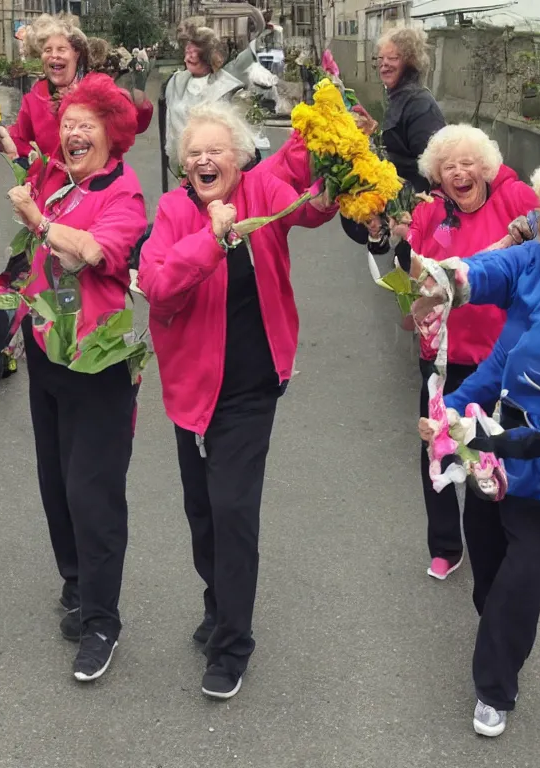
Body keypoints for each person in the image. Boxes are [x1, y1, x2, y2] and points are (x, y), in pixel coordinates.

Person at [137, 101, 337, 700]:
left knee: (232, 513)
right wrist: (211, 238)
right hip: (189, 390)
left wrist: (337, 176)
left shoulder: (262, 188)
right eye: (193, 152)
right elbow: (158, 288)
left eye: (216, 150)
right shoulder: (174, 212)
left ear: (239, 157)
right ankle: (217, 601)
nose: (203, 159)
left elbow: (312, 210)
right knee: (202, 512)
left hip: (251, 388)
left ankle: (232, 644)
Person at [5, 73, 147, 682]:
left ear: (112, 135)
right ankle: (76, 585)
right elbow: (15, 152)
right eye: (67, 124)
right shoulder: (55, 181)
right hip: (47, 352)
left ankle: (102, 622)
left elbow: (94, 252)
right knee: (56, 483)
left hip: (99, 361)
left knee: (94, 493)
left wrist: (39, 222)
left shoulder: (126, 194)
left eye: (86, 124)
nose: (73, 133)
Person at [413, 163, 540, 737]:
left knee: (519, 585)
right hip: (494, 456)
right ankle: (497, 637)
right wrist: (447, 279)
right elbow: (489, 281)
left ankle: (494, 686)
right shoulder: (536, 260)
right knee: (489, 575)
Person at [400, 124, 538, 580]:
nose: (459, 173)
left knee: (491, 453)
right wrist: (410, 299)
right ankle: (444, 544)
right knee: (437, 445)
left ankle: (501, 544)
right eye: (448, 166)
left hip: (501, 361)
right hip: (442, 355)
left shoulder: (515, 199)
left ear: (486, 167)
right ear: (437, 176)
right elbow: (413, 279)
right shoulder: (429, 215)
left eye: (468, 163)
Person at [0, 13, 153, 162]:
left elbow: (132, 123)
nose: (54, 55)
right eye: (47, 50)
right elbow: (21, 137)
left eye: (61, 49)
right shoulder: (35, 97)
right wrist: (3, 138)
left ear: (77, 53)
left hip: (98, 186)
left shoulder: (97, 86)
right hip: (53, 189)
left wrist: (139, 99)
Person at [344, 26, 446, 268]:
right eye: (380, 59)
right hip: (401, 212)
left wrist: (409, 206)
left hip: (417, 214)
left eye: (393, 58)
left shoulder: (420, 104)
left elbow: (434, 166)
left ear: (410, 61)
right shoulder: (399, 96)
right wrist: (374, 134)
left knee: (416, 280)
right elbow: (398, 146)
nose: (384, 64)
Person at [163, 21, 255, 178]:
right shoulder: (176, 82)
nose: (188, 57)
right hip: (181, 166)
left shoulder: (226, 85)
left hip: (215, 168)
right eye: (187, 52)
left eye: (193, 53)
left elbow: (239, 135)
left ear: (207, 56)